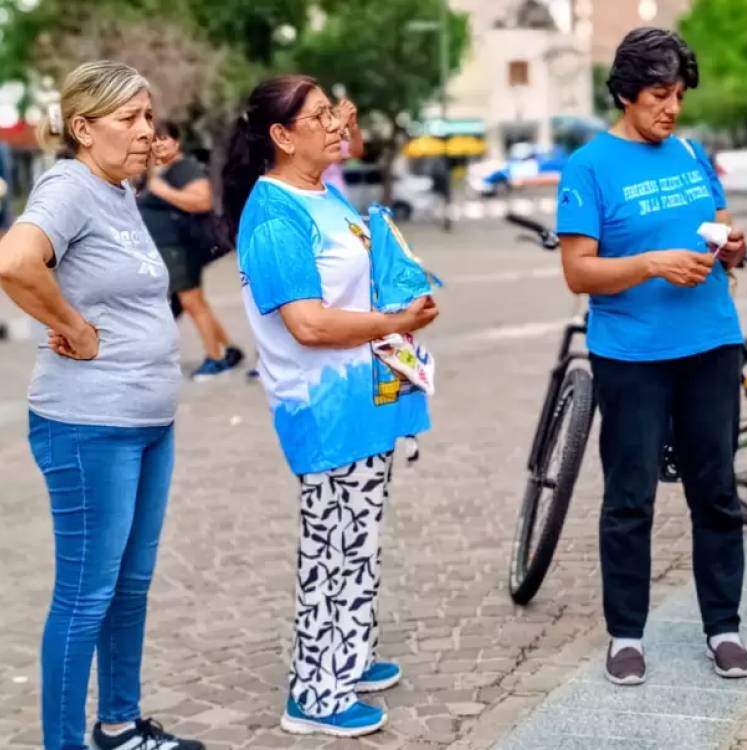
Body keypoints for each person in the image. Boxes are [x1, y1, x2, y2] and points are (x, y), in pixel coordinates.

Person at [221, 75, 438, 738]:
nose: (335, 125)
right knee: (332, 545)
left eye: (333, 114)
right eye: (319, 117)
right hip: (323, 410)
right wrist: (391, 319)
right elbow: (308, 325)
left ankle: (351, 653)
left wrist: (400, 312)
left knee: (360, 539)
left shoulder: (324, 194)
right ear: (282, 136)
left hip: (363, 398)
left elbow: (354, 160)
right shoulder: (273, 212)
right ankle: (315, 693)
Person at [0, 61, 203, 750]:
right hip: (90, 428)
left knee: (129, 587)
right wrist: (73, 325)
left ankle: (119, 724)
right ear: (83, 128)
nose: (147, 131)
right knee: (86, 596)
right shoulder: (70, 185)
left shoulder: (114, 191)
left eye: (149, 117)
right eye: (130, 119)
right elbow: (15, 260)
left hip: (147, 423)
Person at [556, 28, 747, 686]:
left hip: (712, 342)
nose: (672, 109)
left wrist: (732, 249)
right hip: (633, 354)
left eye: (679, 96)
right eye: (659, 95)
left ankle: (724, 626)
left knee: (716, 491)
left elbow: (722, 226)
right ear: (625, 93)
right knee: (630, 496)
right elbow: (579, 274)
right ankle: (626, 634)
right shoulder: (588, 168)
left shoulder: (691, 152)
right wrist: (649, 264)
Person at [138, 119, 244, 381]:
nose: (159, 144)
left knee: (192, 303)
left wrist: (163, 192)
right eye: (155, 139)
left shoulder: (185, 168)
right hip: (168, 249)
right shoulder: (160, 171)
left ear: (177, 141)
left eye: (165, 138)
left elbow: (202, 200)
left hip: (180, 248)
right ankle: (228, 349)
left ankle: (216, 359)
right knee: (196, 302)